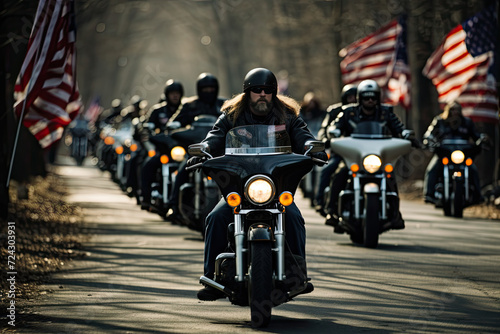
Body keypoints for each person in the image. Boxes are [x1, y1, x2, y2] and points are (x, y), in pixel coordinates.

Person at [188, 68, 328, 301]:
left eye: (267, 90)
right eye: (256, 90)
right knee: (216, 217)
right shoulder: (231, 115)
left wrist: (311, 147)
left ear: (274, 93)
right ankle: (212, 278)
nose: (262, 94)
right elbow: (214, 137)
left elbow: (303, 135)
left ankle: (296, 274)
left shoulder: (287, 115)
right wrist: (204, 150)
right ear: (247, 93)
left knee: (293, 216)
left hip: (276, 187)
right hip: (241, 188)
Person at [325, 79, 419, 228]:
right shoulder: (348, 112)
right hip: (354, 158)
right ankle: (331, 210)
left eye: (373, 97)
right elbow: (336, 125)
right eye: (366, 97)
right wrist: (333, 131)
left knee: (390, 177)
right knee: (340, 173)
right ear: (359, 98)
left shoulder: (386, 112)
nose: (370, 100)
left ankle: (395, 213)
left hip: (378, 157)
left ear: (377, 98)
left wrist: (405, 134)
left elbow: (398, 127)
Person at [165, 73, 226, 223]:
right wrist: (175, 125)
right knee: (182, 171)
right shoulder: (189, 105)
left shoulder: (224, 105)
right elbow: (175, 121)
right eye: (205, 88)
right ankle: (173, 206)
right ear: (199, 89)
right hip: (194, 152)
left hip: (219, 152)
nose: (208, 91)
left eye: (211, 88)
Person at [422, 100, 483, 204]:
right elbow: (429, 134)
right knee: (432, 169)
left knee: (473, 169)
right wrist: (429, 139)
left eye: (457, 110)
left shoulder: (467, 122)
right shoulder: (440, 121)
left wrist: (482, 139)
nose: (455, 112)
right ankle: (429, 194)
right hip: (445, 152)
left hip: (462, 153)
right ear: (448, 110)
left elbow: (476, 136)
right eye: (453, 109)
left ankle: (478, 196)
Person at [140, 80, 184, 211]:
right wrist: (150, 130)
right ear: (167, 94)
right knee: (147, 167)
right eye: (172, 93)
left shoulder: (185, 109)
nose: (175, 96)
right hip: (163, 151)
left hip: (180, 151)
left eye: (177, 93)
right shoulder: (158, 111)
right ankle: (146, 198)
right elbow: (147, 128)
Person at [314, 84, 357, 215]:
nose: (353, 99)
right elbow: (325, 128)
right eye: (350, 97)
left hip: (363, 155)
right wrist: (325, 139)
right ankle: (321, 201)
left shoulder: (365, 112)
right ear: (344, 97)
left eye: (356, 97)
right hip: (341, 153)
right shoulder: (336, 111)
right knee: (328, 169)